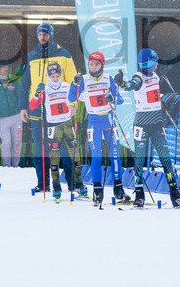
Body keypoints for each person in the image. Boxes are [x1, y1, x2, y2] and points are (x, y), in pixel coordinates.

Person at [113, 48, 180, 208]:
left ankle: (175, 193)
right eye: (154, 63)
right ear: (149, 63)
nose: (156, 66)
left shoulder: (155, 76)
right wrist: (121, 83)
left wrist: (162, 103)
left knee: (165, 157)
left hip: (157, 122)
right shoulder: (138, 76)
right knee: (139, 158)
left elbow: (150, 95)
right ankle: (139, 194)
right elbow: (131, 86)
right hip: (141, 123)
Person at [19, 23, 78, 193]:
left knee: (65, 146)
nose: (42, 37)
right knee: (40, 147)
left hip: (59, 108)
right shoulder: (31, 56)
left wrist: (73, 104)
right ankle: (43, 182)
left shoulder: (63, 54)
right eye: (39, 34)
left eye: (45, 34)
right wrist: (23, 106)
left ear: (51, 35)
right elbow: (25, 84)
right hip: (37, 108)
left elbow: (73, 82)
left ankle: (72, 182)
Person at [70, 51, 124, 204]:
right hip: (93, 124)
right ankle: (97, 190)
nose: (93, 67)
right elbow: (71, 97)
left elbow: (120, 99)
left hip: (109, 122)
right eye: (91, 64)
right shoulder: (84, 80)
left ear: (102, 65)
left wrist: (113, 98)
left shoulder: (108, 79)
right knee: (97, 157)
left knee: (114, 156)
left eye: (97, 64)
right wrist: (74, 84)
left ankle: (118, 188)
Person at [28, 62, 82, 201]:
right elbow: (33, 106)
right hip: (53, 126)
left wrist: (77, 85)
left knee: (74, 154)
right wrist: (37, 94)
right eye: (53, 76)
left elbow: (78, 95)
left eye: (58, 75)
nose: (56, 78)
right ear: (48, 76)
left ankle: (77, 184)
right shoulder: (45, 89)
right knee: (55, 158)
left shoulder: (65, 85)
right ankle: (56, 185)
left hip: (67, 123)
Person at [0, 63, 23, 168]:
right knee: (6, 142)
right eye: (4, 67)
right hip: (2, 118)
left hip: (16, 116)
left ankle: (15, 165)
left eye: (7, 67)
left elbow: (21, 97)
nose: (6, 69)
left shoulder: (13, 82)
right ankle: (7, 165)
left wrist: (23, 112)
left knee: (17, 143)